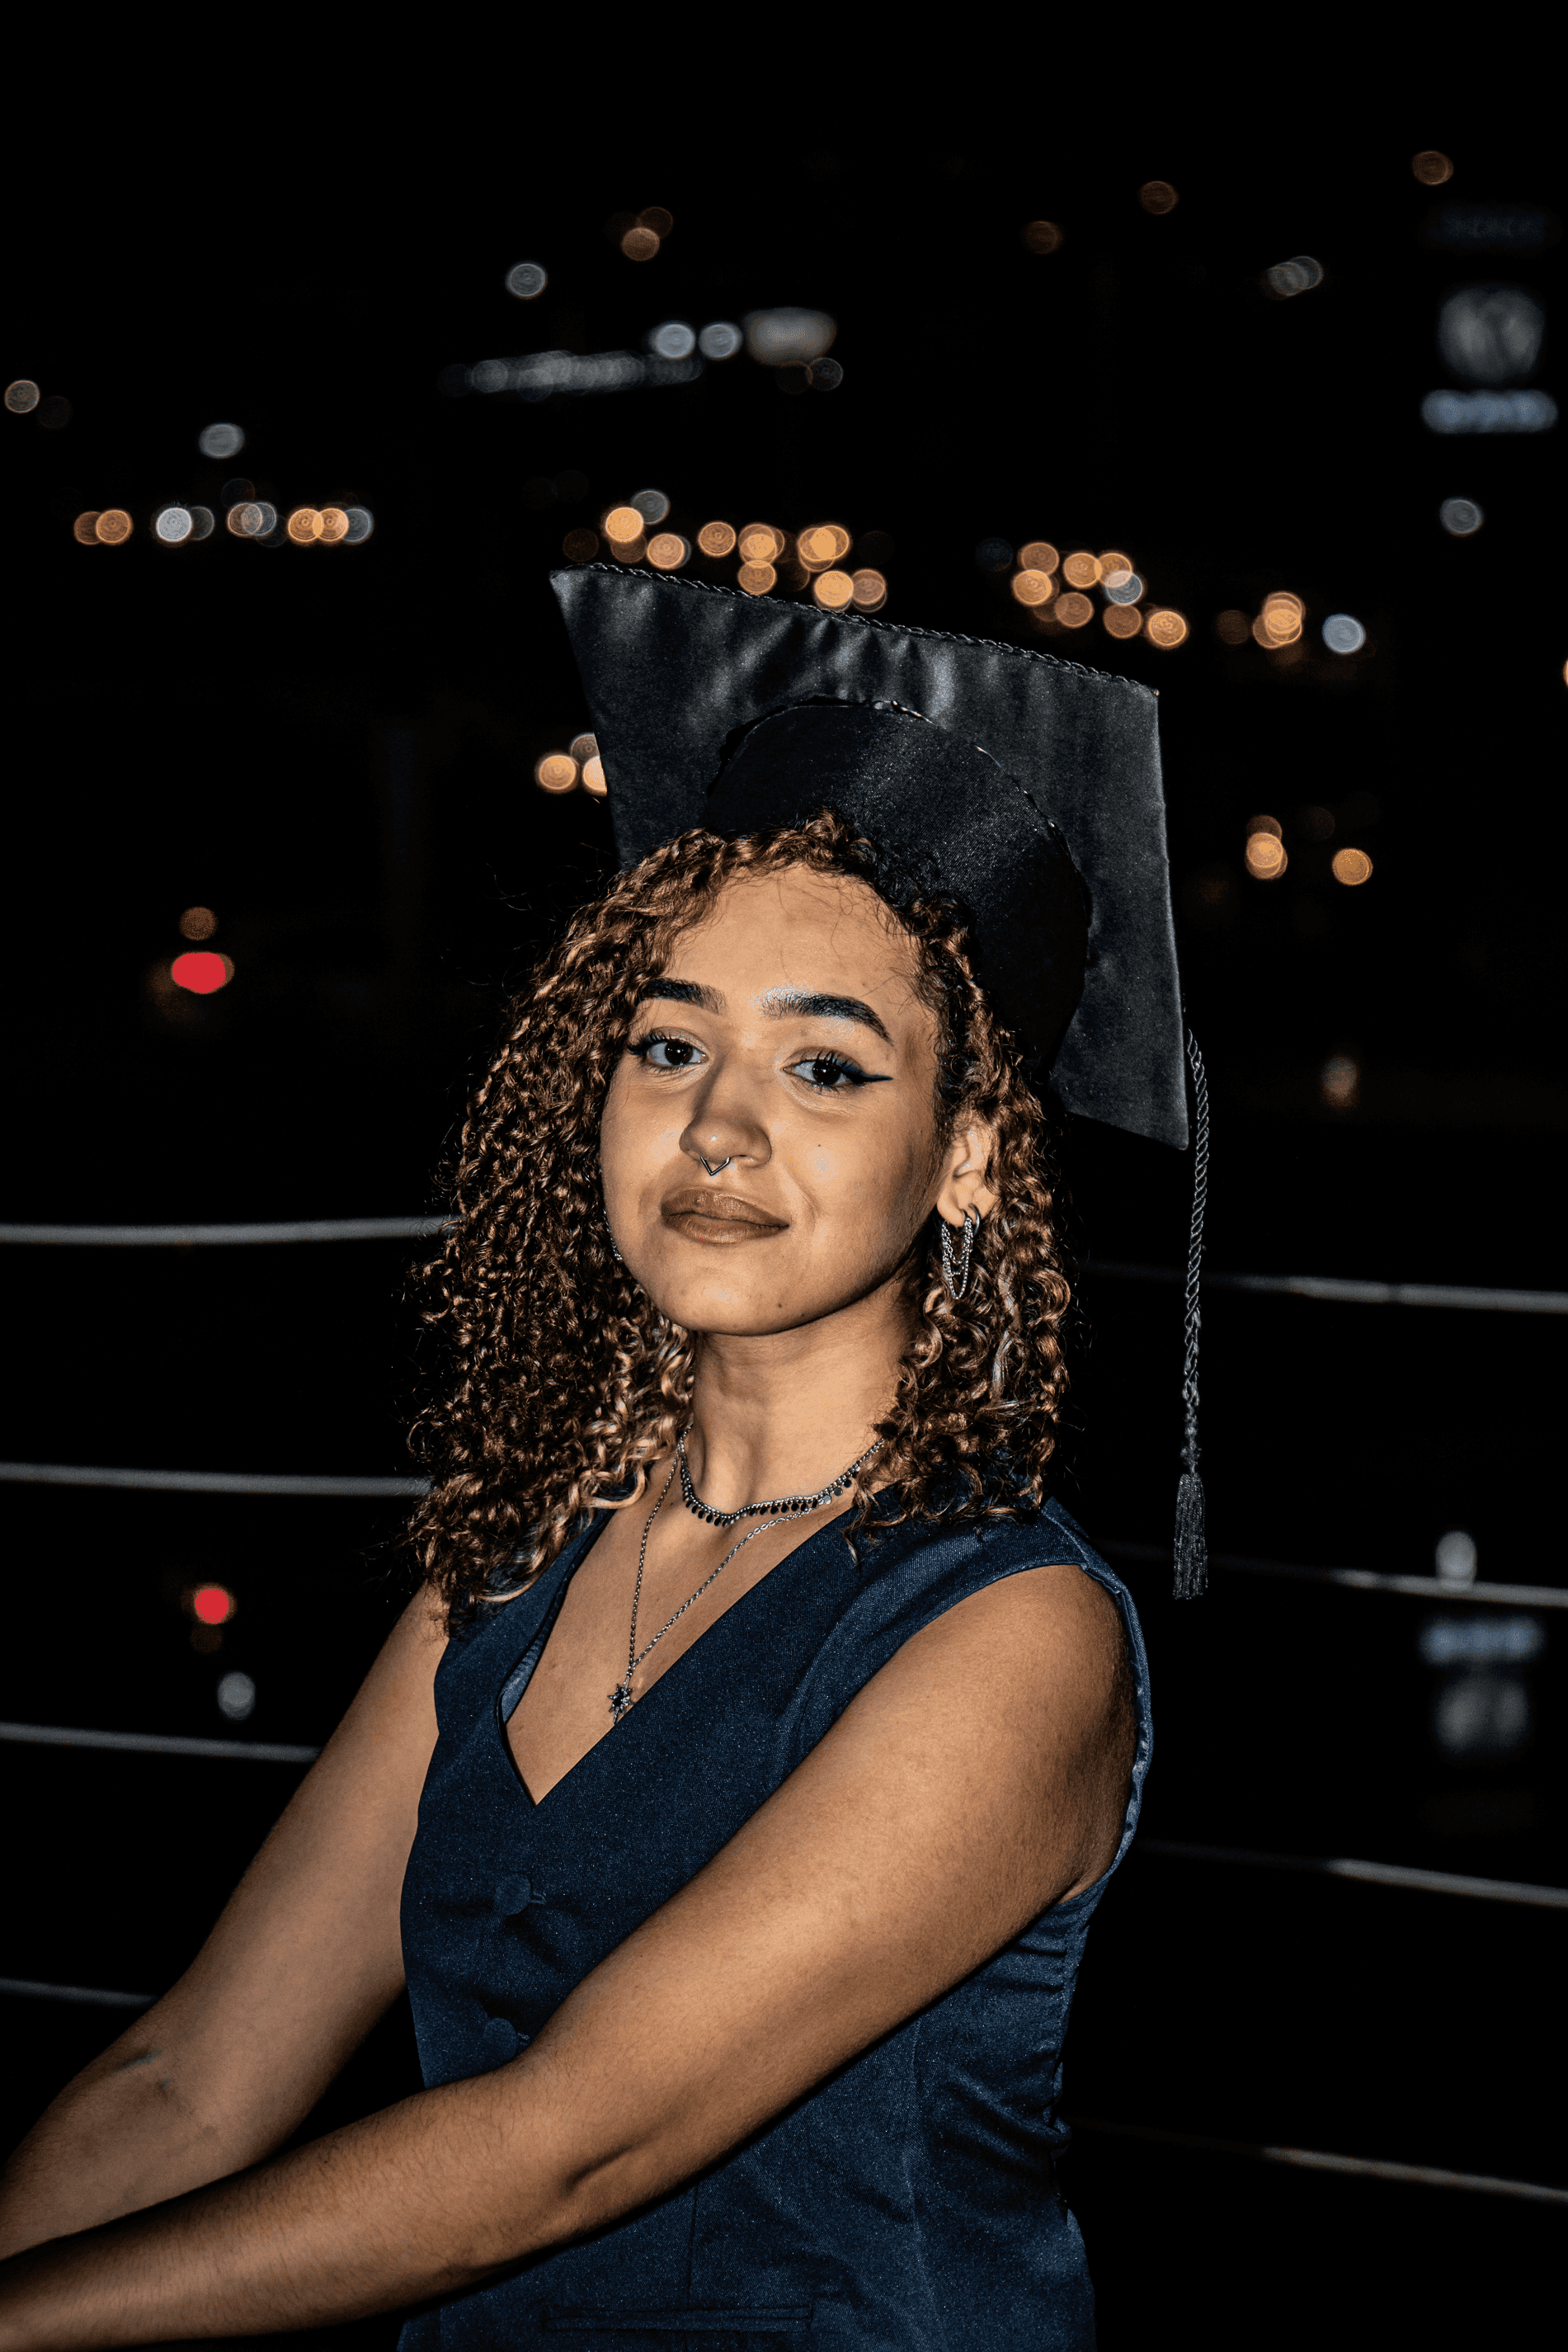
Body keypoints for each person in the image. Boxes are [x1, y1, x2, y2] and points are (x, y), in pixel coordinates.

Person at [0, 568, 1196, 2349]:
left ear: (961, 1162)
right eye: (668, 1041)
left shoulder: (1012, 1635)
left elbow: (555, 2152)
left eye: (825, 1065)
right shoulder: (514, 1552)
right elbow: (189, 2081)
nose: (718, 1123)